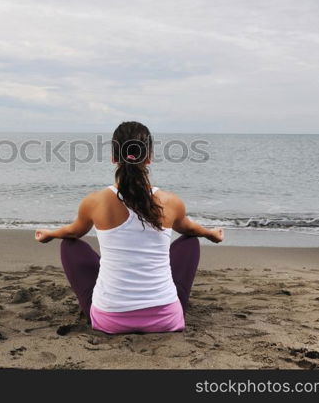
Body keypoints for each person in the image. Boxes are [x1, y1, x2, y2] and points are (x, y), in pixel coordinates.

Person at [35, 121, 224, 334]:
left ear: (114, 158)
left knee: (69, 245)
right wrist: (211, 234)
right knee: (190, 240)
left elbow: (73, 232)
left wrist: (50, 234)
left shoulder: (95, 202)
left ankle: (110, 305)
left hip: (110, 321)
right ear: (149, 157)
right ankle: (164, 305)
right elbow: (189, 228)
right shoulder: (171, 202)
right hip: (165, 320)